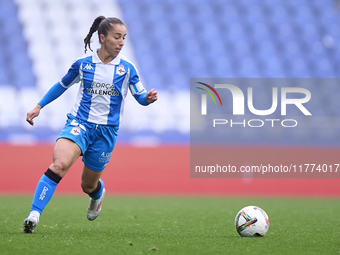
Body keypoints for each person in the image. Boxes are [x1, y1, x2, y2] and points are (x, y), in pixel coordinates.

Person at [23, 16, 158, 233]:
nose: (122, 42)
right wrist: (39, 106)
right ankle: (34, 214)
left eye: (124, 37)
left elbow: (140, 96)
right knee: (58, 166)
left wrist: (148, 99)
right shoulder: (83, 64)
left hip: (106, 133)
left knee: (87, 185)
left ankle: (97, 195)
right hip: (80, 124)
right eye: (117, 37)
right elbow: (61, 85)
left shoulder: (127, 68)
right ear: (102, 38)